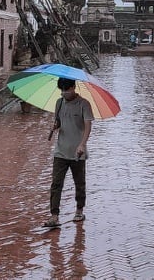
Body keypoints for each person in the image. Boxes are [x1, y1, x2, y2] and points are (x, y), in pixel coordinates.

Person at [43, 77, 94, 227]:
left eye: (67, 89)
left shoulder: (84, 104)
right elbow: (59, 122)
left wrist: (82, 145)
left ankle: (79, 210)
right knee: (56, 183)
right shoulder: (59, 103)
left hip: (77, 151)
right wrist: (55, 126)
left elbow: (88, 126)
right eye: (62, 90)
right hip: (60, 151)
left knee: (79, 183)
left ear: (73, 87)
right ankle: (54, 215)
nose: (64, 93)